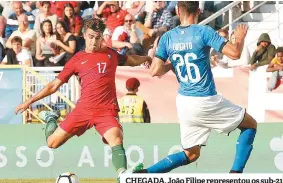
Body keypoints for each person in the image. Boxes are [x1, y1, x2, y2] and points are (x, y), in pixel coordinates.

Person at [14, 18, 152, 180]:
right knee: (52, 143)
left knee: (116, 136)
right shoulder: (76, 60)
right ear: (85, 36)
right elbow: (54, 86)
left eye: (98, 37)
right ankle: (51, 118)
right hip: (83, 110)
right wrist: (29, 101)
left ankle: (123, 175)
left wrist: (146, 59)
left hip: (106, 110)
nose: (94, 41)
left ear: (102, 37)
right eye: (91, 36)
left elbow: (131, 60)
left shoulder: (110, 54)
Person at [134, 1, 257, 174]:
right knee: (250, 125)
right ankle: (235, 175)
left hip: (184, 102)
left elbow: (154, 71)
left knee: (191, 154)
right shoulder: (204, 31)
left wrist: (172, 63)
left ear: (177, 10)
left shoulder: (168, 37)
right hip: (205, 98)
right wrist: (240, 38)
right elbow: (235, 54)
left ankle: (145, 174)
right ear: (199, 11)